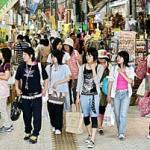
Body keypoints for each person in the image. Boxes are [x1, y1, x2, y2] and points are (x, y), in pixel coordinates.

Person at [15, 47, 48, 144]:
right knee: (26, 116)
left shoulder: (38, 66)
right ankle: (28, 131)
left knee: (37, 116)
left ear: (31, 56)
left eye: (25, 55)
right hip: (25, 96)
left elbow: (46, 79)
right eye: (23, 55)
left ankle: (35, 133)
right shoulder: (21, 66)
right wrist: (17, 88)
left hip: (36, 96)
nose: (23, 56)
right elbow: (17, 79)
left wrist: (45, 90)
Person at [76, 47, 104, 148]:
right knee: (86, 116)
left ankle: (92, 139)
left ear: (94, 56)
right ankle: (89, 134)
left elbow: (97, 81)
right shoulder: (82, 67)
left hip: (94, 96)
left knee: (94, 115)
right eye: (87, 55)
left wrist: (93, 69)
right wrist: (77, 96)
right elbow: (79, 82)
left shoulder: (100, 67)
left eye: (90, 55)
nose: (88, 57)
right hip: (84, 95)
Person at [107, 51, 135, 140]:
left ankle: (121, 133)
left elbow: (131, 81)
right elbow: (110, 82)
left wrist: (122, 73)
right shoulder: (114, 68)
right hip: (116, 94)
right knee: (117, 114)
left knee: (123, 114)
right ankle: (120, 131)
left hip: (126, 94)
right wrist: (108, 95)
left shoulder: (130, 69)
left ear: (125, 59)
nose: (118, 58)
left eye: (120, 57)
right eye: (118, 57)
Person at [46, 50, 71, 134]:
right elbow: (47, 79)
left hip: (61, 91)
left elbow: (68, 78)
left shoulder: (65, 67)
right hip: (51, 91)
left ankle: (58, 127)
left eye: (54, 56)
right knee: (51, 108)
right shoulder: (49, 67)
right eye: (52, 57)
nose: (52, 58)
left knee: (58, 109)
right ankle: (53, 124)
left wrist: (58, 82)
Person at [63, 38, 81, 106]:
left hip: (75, 75)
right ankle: (70, 105)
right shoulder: (63, 54)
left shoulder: (75, 53)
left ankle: (76, 105)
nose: (66, 47)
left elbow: (80, 63)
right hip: (66, 76)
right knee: (67, 92)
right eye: (65, 45)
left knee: (75, 91)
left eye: (67, 45)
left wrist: (78, 59)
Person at [0, 48, 13, 133]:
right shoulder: (2, 64)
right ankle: (8, 124)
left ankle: (7, 126)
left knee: (2, 108)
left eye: (0, 53)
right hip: (1, 89)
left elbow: (6, 77)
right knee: (3, 108)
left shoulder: (7, 65)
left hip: (3, 90)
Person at [97, 50, 110, 135]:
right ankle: (99, 126)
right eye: (100, 59)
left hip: (107, 91)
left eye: (103, 59)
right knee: (99, 108)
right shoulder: (96, 67)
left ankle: (100, 124)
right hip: (98, 91)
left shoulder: (110, 68)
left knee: (103, 108)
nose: (101, 61)